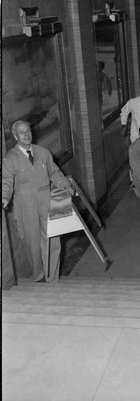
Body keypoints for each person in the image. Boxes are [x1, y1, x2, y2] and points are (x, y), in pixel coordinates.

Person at [2, 120, 75, 283]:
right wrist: (4, 197)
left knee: (53, 240)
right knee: (33, 244)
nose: (27, 134)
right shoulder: (10, 158)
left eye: (28, 130)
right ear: (15, 136)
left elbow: (55, 173)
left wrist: (65, 185)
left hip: (48, 201)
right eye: (22, 132)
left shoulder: (43, 152)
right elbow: (6, 181)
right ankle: (38, 275)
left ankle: (52, 278)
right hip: (26, 206)